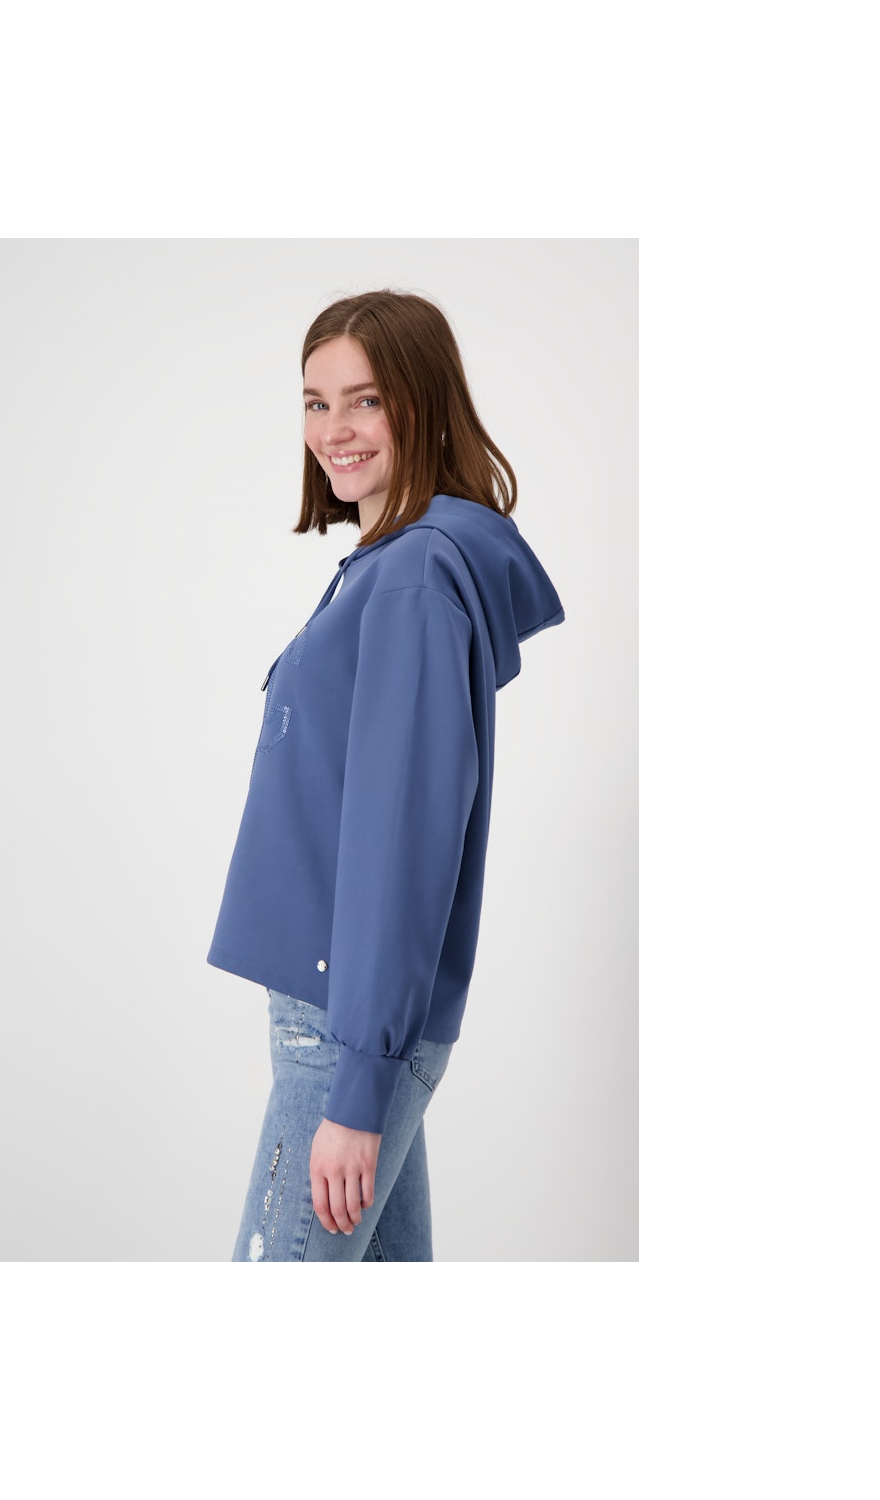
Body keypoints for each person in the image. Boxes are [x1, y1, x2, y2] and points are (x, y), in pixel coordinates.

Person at [208, 289, 564, 1262]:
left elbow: (399, 842)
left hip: (346, 1026)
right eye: (315, 402)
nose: (335, 430)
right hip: (352, 1017)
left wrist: (359, 1083)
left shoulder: (411, 580)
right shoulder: (389, 568)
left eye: (365, 400)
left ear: (423, 403)